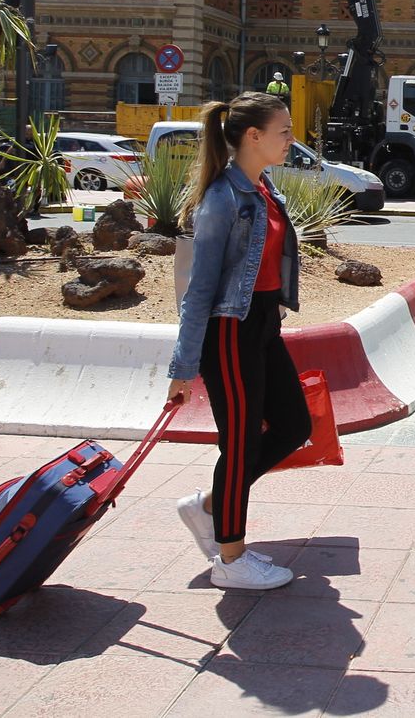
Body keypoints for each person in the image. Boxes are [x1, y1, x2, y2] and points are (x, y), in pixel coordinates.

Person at [166, 92, 310, 591]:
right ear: (253, 137)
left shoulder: (262, 188)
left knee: (294, 424)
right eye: (284, 132)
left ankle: (210, 506)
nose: (292, 139)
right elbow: (199, 289)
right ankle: (230, 559)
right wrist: (183, 368)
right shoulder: (222, 200)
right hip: (229, 332)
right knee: (241, 444)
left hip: (262, 323)